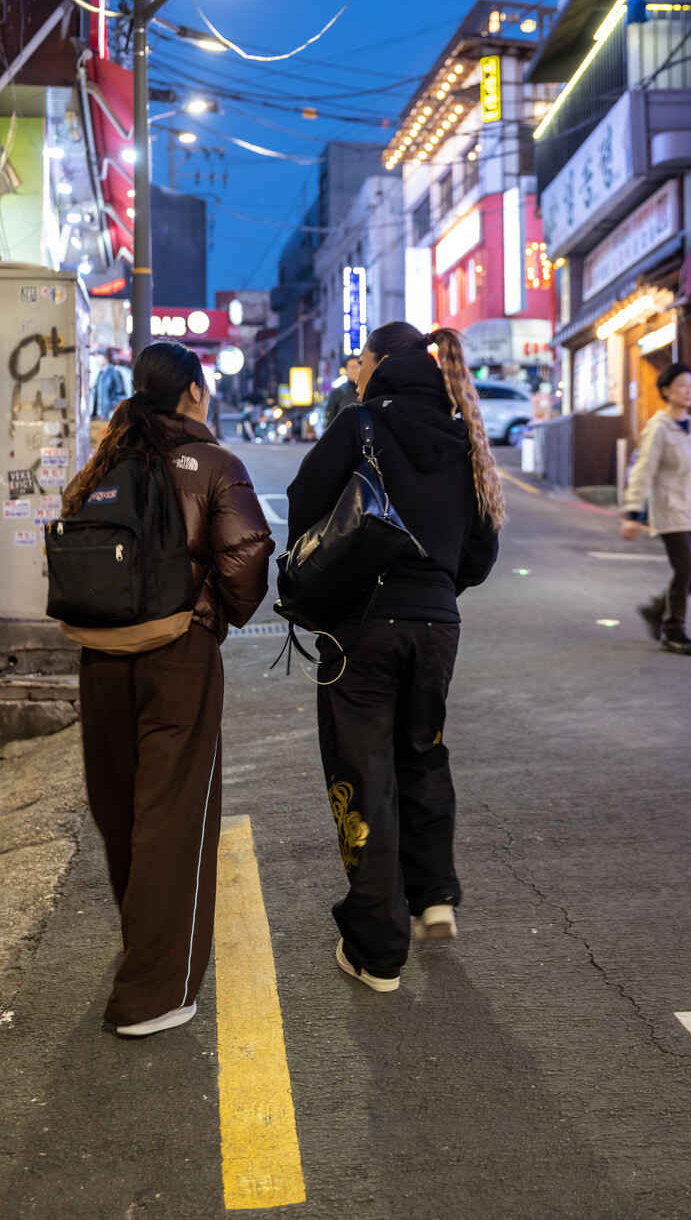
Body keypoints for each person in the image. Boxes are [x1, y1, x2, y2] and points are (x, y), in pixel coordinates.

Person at [63, 341, 273, 1036]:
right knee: (172, 818)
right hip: (178, 654)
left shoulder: (105, 462)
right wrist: (213, 613)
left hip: (100, 659)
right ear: (191, 391)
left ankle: (142, 943)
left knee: (121, 807)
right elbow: (245, 561)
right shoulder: (214, 464)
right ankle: (155, 992)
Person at [286, 322, 502, 993]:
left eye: (361, 360)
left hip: (366, 626)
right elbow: (481, 548)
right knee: (423, 749)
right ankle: (432, 893)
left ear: (379, 363)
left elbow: (303, 502)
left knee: (365, 768)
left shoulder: (363, 425)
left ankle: (378, 949)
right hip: (439, 624)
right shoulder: (462, 432)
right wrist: (435, 589)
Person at [622, 361, 691, 656]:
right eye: (682, 385)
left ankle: (657, 609)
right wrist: (633, 513)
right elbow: (642, 471)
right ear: (666, 390)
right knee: (685, 568)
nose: (690, 391)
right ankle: (673, 631)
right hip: (670, 508)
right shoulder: (658, 428)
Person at [323, 355, 360, 425]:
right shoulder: (336, 393)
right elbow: (330, 421)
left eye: (359, 367)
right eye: (353, 367)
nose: (356, 370)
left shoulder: (368, 390)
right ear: (346, 370)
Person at [92, 350, 128, 419]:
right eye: (96, 356)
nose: (97, 358)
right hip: (100, 416)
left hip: (110, 416)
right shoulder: (100, 374)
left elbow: (120, 395)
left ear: (106, 357)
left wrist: (112, 411)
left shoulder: (114, 372)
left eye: (99, 355)